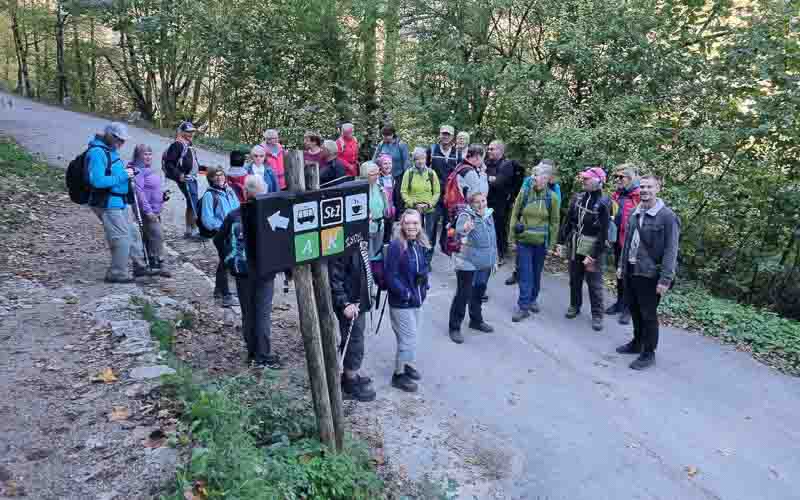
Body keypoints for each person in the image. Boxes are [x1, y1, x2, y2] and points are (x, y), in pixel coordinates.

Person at [215, 175, 282, 368]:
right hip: (265, 272)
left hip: (242, 272)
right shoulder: (272, 214)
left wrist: (228, 261)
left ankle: (252, 352)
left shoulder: (235, 215)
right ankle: (264, 355)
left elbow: (218, 240)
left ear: (244, 193)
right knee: (262, 313)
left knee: (248, 312)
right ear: (265, 193)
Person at [616, 175, 680, 370]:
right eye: (642, 187)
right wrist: (621, 265)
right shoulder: (636, 212)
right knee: (634, 309)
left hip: (651, 274)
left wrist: (665, 279)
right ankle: (637, 343)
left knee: (648, 315)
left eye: (649, 187)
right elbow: (627, 241)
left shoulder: (667, 216)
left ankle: (648, 352)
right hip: (632, 269)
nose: (645, 190)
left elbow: (671, 249)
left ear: (658, 189)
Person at [87, 123, 151, 283]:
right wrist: (123, 175)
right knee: (122, 237)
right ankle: (116, 272)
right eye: (118, 139)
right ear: (109, 136)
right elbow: (98, 181)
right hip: (107, 202)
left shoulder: (112, 151)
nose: (121, 143)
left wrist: (128, 175)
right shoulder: (97, 153)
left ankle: (140, 266)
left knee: (133, 233)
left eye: (123, 140)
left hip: (119, 201)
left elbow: (116, 174)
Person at [557, 166, 611, 331]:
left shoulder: (604, 203)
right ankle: (575, 305)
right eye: (584, 178)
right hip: (575, 243)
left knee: (594, 283)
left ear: (598, 182)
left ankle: (597, 315)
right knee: (575, 278)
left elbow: (603, 234)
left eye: (587, 179)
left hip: (593, 247)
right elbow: (568, 221)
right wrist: (560, 242)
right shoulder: (578, 198)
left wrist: (593, 256)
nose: (584, 180)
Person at [384, 209, 432, 392]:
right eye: (408, 223)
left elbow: (424, 267)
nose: (411, 227)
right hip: (402, 302)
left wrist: (424, 286)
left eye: (415, 223)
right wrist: (406, 293)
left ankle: (405, 364)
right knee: (408, 339)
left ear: (420, 225)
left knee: (411, 337)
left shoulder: (419, 242)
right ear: (402, 225)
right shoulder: (398, 245)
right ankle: (398, 375)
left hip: (416, 299)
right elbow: (391, 276)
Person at [509, 164, 561, 321]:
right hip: (524, 241)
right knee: (525, 273)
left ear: (545, 179)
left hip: (540, 243)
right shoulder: (524, 193)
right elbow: (514, 214)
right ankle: (523, 306)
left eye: (536, 176)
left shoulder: (551, 198)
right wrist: (512, 237)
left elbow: (554, 222)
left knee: (536, 274)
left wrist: (551, 245)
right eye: (533, 175)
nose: (532, 178)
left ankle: (532, 299)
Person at [329, 242, 378, 402]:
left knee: (357, 339)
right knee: (354, 342)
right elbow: (334, 277)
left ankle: (352, 374)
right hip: (350, 303)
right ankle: (349, 383)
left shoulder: (360, 238)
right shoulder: (345, 241)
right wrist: (344, 302)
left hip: (359, 300)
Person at [448, 192, 497, 343]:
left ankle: (476, 320)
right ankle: (454, 327)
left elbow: (493, 238)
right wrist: (465, 228)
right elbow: (459, 231)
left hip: (485, 261)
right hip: (467, 262)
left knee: (479, 291)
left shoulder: (489, 214)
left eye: (483, 201)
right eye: (477, 202)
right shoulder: (466, 215)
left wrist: (495, 259)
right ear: (471, 204)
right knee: (463, 294)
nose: (481, 204)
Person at [200, 166, 241, 307]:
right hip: (221, 234)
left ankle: (219, 290)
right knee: (227, 262)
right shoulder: (209, 195)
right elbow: (207, 219)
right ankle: (226, 296)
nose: (219, 177)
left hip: (233, 232)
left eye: (221, 174)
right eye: (215, 176)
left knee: (224, 261)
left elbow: (237, 208)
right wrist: (220, 227)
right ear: (210, 179)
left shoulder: (230, 191)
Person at [606, 164, 641, 325]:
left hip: (634, 245)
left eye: (621, 177)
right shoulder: (617, 195)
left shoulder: (638, 196)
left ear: (631, 178)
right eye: (616, 177)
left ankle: (628, 308)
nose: (618, 180)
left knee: (631, 277)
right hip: (618, 241)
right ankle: (620, 303)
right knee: (619, 275)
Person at [131, 144, 170, 277]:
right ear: (138, 156)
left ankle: (152, 262)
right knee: (158, 235)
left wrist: (162, 196)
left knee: (150, 236)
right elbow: (139, 193)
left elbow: (152, 189)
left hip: (155, 209)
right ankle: (160, 262)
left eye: (149, 154)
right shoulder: (138, 171)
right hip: (147, 211)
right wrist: (147, 211)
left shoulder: (147, 169)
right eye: (145, 154)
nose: (148, 156)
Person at [401, 147, 441, 263]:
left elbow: (437, 192)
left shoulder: (431, 173)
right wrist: (413, 204)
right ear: (414, 160)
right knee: (412, 234)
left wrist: (430, 204)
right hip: (413, 210)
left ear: (426, 159)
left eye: (422, 158)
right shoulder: (409, 173)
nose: (420, 161)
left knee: (428, 236)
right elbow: (403, 191)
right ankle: (412, 259)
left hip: (429, 210)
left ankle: (426, 261)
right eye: (417, 159)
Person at [163, 121, 200, 239]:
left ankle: (189, 230)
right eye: (188, 132)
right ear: (182, 132)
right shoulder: (178, 145)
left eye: (192, 132)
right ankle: (193, 230)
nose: (191, 134)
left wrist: (206, 168)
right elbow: (169, 163)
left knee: (191, 202)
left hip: (191, 177)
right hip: (185, 178)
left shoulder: (189, 144)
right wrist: (179, 175)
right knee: (193, 202)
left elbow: (193, 163)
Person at [427, 125, 460, 252]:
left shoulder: (457, 153)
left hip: (451, 195)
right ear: (440, 135)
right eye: (443, 134)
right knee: (432, 224)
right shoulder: (432, 150)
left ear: (452, 137)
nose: (445, 136)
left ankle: (445, 247)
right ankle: (428, 252)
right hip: (433, 194)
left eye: (448, 134)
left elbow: (461, 173)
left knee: (448, 222)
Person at [484, 141, 516, 266]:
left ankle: (501, 254)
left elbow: (499, 183)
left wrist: (487, 178)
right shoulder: (486, 163)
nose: (489, 151)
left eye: (492, 149)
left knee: (499, 229)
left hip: (501, 204)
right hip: (487, 201)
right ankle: (489, 253)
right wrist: (490, 178)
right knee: (486, 227)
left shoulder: (506, 165)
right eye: (488, 149)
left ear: (500, 151)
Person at [366, 162, 388, 261]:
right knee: (369, 256)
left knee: (377, 253)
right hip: (368, 226)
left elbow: (385, 205)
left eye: (377, 173)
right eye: (372, 174)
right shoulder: (361, 189)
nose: (376, 176)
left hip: (380, 224)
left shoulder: (379, 186)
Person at [378, 154, 397, 243]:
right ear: (380, 165)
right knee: (381, 233)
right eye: (385, 163)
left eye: (390, 163)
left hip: (391, 210)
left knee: (388, 233)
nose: (388, 166)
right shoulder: (378, 179)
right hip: (381, 210)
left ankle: (386, 250)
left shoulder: (393, 178)